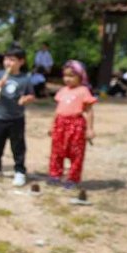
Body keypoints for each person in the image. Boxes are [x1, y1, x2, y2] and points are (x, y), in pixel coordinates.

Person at [0, 45, 36, 186]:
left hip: (17, 118)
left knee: (17, 146)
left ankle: (19, 171)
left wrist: (26, 99)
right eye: (6, 59)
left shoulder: (25, 78)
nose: (8, 63)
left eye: (12, 60)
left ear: (21, 62)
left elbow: (31, 95)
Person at [48, 60, 96, 188]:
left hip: (76, 124)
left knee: (76, 152)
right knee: (57, 151)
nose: (67, 79)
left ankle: (73, 179)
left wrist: (90, 129)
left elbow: (89, 110)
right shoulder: (63, 90)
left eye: (71, 76)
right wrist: (52, 126)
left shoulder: (83, 90)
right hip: (60, 124)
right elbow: (57, 110)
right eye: (65, 76)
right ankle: (55, 175)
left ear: (81, 76)